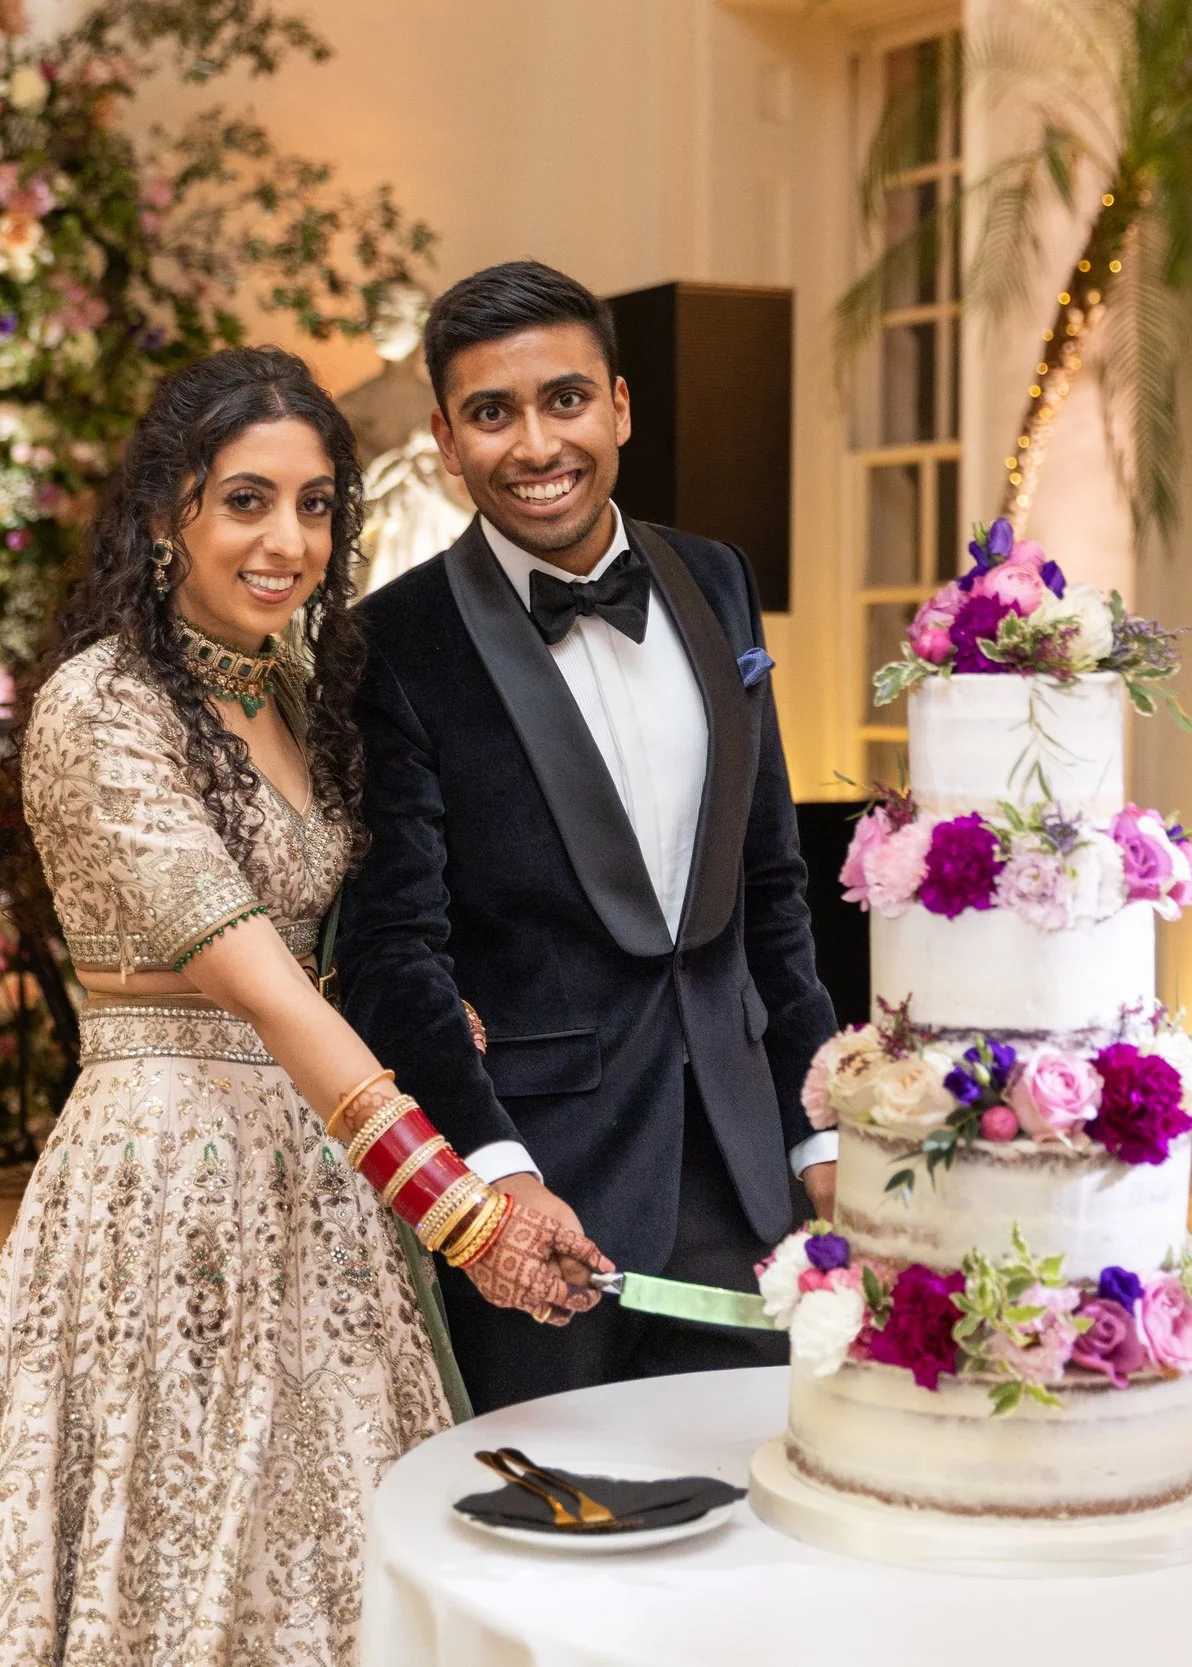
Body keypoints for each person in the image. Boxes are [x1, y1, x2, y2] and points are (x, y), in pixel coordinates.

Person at [0, 345, 608, 1667]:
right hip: (172, 1175)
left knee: (329, 1537)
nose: (288, 538)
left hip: (324, 1172)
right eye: (246, 499)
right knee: (181, 1539)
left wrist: (442, 1030)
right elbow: (260, 982)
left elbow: (347, 945)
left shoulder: (296, 692)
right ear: (166, 515)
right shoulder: (103, 707)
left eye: (316, 503)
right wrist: (458, 1208)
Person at [336, 261, 840, 1414]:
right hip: (544, 1194)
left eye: (563, 400)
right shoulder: (393, 642)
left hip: (746, 1168)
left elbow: (769, 881)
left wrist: (816, 1132)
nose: (534, 443)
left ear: (618, 405)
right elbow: (393, 947)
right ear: (446, 437)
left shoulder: (715, 578)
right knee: (549, 1530)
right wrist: (496, 1175)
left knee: (753, 1510)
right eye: (491, 412)